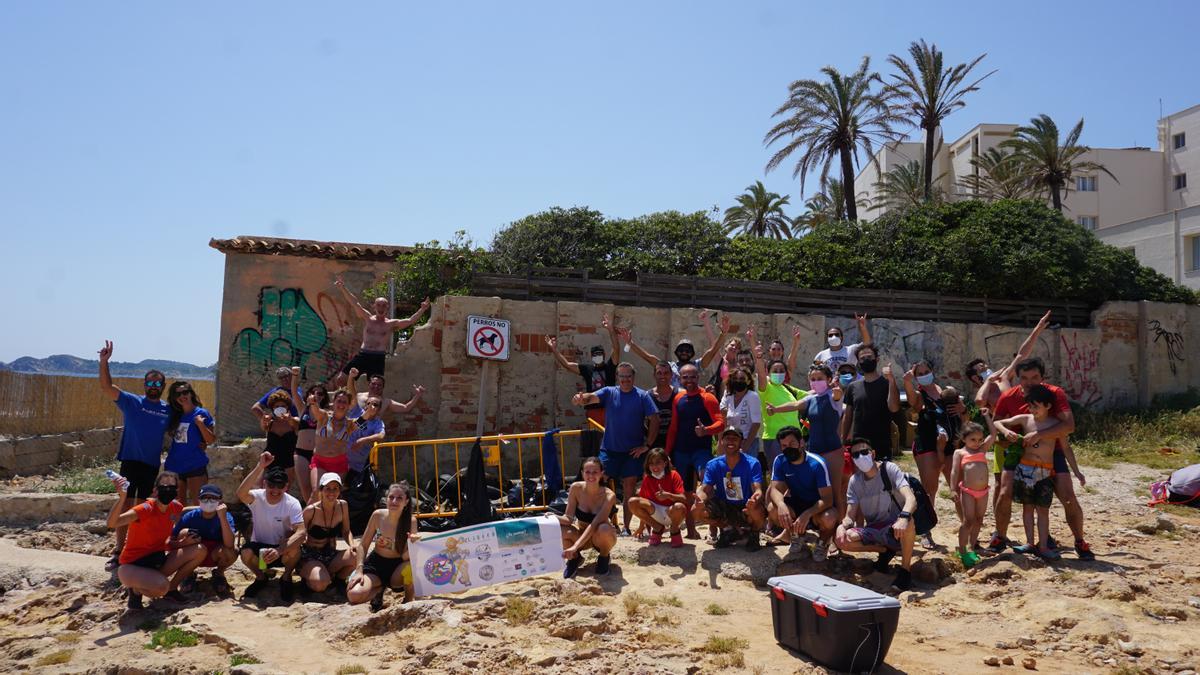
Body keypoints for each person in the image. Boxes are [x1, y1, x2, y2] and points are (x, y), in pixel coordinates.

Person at [986, 357, 1093, 560]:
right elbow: (996, 425)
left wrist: (1040, 435)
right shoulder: (1008, 397)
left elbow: (1069, 426)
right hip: (1018, 452)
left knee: (1067, 496)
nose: (1029, 382)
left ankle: (1080, 541)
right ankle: (1000, 536)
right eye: (1024, 377)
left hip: (1053, 451)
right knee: (1004, 493)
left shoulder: (1053, 394)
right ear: (1018, 378)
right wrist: (1005, 439)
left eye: (1034, 377)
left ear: (1043, 377)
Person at [97, 340, 171, 571]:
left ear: (162, 386)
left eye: (157, 383)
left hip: (150, 465)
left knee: (142, 508)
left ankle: (136, 549)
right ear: (145, 384)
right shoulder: (132, 402)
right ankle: (119, 550)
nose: (153, 385)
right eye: (150, 382)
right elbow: (108, 387)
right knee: (125, 504)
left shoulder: (167, 409)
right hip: (130, 461)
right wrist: (103, 362)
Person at [571, 362, 659, 536]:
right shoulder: (609, 392)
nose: (625, 379)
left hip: (632, 452)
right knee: (595, 482)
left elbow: (654, 419)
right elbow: (591, 397)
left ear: (633, 377)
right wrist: (581, 398)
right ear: (617, 377)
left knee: (629, 490)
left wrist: (647, 445)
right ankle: (593, 522)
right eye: (622, 376)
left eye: (628, 376)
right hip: (609, 450)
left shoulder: (642, 396)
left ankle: (626, 527)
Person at [106, 470, 206, 609]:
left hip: (156, 561)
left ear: (176, 491)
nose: (168, 491)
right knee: (161, 587)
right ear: (155, 491)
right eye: (164, 487)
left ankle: (171, 589)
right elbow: (112, 523)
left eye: (171, 488)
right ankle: (135, 590)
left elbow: (186, 511)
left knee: (199, 550)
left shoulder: (175, 507)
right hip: (132, 565)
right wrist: (122, 497)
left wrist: (182, 543)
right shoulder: (145, 509)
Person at [993, 385, 1065, 560]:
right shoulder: (1026, 419)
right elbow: (997, 422)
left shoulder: (1055, 425)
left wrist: (1077, 472)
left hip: (1045, 471)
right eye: (1030, 406)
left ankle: (1044, 546)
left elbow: (1066, 447)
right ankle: (1030, 543)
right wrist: (1006, 431)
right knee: (1027, 508)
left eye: (1036, 406)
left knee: (1043, 510)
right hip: (1025, 470)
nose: (1032, 410)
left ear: (1048, 406)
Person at [835, 439, 916, 592]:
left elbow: (911, 498)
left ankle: (905, 570)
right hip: (874, 529)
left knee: (909, 522)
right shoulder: (855, 481)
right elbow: (850, 516)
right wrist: (842, 526)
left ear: (873, 454)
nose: (860, 457)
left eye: (864, 452)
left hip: (896, 528)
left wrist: (904, 517)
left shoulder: (889, 469)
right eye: (856, 455)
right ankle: (884, 551)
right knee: (844, 540)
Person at [766, 364, 845, 519]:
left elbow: (838, 394)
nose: (816, 382)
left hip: (833, 451)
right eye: (813, 379)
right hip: (813, 452)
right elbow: (795, 405)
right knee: (806, 491)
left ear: (829, 379)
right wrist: (776, 409)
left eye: (820, 379)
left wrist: (837, 391)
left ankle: (838, 533)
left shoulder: (834, 396)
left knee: (835, 493)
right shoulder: (811, 399)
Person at [901, 360, 964, 548]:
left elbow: (963, 417)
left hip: (951, 445)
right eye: (919, 373)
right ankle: (925, 532)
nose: (924, 374)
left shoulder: (948, 393)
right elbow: (913, 403)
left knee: (958, 487)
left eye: (926, 371)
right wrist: (907, 383)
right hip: (927, 444)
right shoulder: (921, 395)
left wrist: (963, 409)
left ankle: (968, 528)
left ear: (932, 371)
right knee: (930, 489)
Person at [333, 273, 430, 387]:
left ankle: (373, 404)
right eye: (378, 305)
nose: (381, 308)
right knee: (341, 380)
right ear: (374, 306)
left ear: (387, 308)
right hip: (363, 355)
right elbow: (354, 303)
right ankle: (348, 402)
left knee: (375, 386)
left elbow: (410, 320)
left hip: (378, 358)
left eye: (383, 305)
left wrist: (422, 309)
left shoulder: (391, 324)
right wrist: (342, 288)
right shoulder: (368, 318)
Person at [663, 362, 726, 539]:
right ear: (680, 379)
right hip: (681, 451)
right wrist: (667, 453)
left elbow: (720, 422)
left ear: (698, 377)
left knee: (708, 486)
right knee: (685, 493)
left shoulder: (707, 398)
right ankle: (691, 530)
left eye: (692, 377)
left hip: (701, 451)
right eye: (685, 377)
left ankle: (717, 529)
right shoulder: (678, 399)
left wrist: (706, 430)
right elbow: (673, 428)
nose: (689, 380)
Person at [237, 452, 305, 604]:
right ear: (264, 484)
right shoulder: (257, 497)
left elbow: (301, 532)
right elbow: (241, 493)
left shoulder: (292, 503)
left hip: (282, 549)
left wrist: (279, 550)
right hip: (261, 551)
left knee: (295, 549)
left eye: (280, 486)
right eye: (271, 485)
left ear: (286, 487)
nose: (275, 489)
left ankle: (286, 577)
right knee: (246, 553)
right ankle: (261, 577)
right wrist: (260, 466)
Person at [766, 426, 837, 560]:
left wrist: (808, 513)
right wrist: (781, 504)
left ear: (801, 442)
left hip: (817, 506)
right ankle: (796, 535)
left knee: (830, 517)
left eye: (792, 443)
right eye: (784, 445)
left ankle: (822, 543)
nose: (788, 448)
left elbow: (828, 499)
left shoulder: (817, 464)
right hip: (796, 502)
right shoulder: (780, 461)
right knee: (773, 508)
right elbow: (775, 489)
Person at [692, 426, 767, 551]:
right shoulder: (713, 464)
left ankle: (754, 535)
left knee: (757, 509)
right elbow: (705, 489)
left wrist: (756, 498)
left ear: (741, 442)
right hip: (725, 507)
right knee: (697, 511)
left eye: (735, 438)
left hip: (746, 506)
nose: (731, 441)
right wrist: (700, 500)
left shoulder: (753, 463)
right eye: (727, 438)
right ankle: (728, 530)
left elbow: (757, 489)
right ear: (721, 441)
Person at [348, 482, 419, 610]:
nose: (394, 501)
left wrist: (414, 545)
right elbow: (363, 545)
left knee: (411, 568)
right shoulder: (378, 515)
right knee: (354, 595)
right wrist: (359, 570)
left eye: (399, 498)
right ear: (386, 499)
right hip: (376, 564)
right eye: (391, 497)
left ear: (406, 502)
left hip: (397, 567)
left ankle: (408, 601)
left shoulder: (411, 521)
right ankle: (379, 589)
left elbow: (405, 557)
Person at [546, 313, 621, 425]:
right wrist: (554, 349)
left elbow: (616, 348)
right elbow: (567, 364)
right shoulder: (587, 369)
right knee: (594, 440)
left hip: (609, 410)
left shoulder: (610, 366)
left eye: (599, 354)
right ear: (591, 357)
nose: (597, 357)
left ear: (604, 355)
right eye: (595, 355)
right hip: (592, 411)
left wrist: (610, 329)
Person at [622, 312, 729, 388]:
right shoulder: (669, 367)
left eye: (688, 350)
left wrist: (723, 333)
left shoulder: (697, 365)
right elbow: (648, 358)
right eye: (681, 349)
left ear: (692, 354)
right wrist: (630, 344)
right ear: (676, 352)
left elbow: (712, 351)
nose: (684, 352)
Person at [172, 483, 237, 596]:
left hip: (215, 553)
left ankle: (219, 574)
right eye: (205, 498)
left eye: (213, 498)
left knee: (233, 551)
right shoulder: (190, 516)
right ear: (199, 500)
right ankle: (188, 574)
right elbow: (172, 540)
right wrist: (184, 542)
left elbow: (230, 544)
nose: (209, 501)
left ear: (220, 501)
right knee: (183, 532)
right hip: (194, 553)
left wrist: (222, 517)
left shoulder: (226, 516)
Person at [559, 457, 619, 578]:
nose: (591, 475)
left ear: (601, 473)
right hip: (581, 535)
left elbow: (594, 524)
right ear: (582, 473)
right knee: (559, 529)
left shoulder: (609, 495)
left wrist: (574, 546)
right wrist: (552, 517)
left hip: (600, 538)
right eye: (587, 472)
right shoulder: (575, 488)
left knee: (604, 528)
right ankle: (575, 558)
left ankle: (604, 556)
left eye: (595, 472)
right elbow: (568, 518)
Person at [299, 473, 357, 594]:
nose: (331, 492)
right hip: (311, 555)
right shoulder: (311, 511)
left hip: (330, 553)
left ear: (339, 490)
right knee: (320, 585)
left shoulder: (343, 506)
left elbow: (346, 531)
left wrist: (352, 545)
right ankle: (308, 578)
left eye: (335, 488)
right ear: (321, 490)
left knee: (357, 555)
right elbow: (297, 532)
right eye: (328, 488)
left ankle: (339, 580)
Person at [839, 344, 901, 460]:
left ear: (877, 359)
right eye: (862, 359)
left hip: (881, 444)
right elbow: (848, 416)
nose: (866, 360)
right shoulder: (852, 387)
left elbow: (894, 408)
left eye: (869, 357)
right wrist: (842, 441)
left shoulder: (887, 384)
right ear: (858, 362)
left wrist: (892, 381)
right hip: (858, 445)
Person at [949, 422, 994, 568]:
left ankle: (971, 547)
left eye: (980, 439)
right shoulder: (960, 453)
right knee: (968, 520)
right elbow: (955, 472)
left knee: (979, 519)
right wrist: (952, 489)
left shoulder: (982, 449)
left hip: (984, 491)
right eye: (973, 439)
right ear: (964, 439)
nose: (977, 443)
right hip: (968, 491)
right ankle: (962, 550)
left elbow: (993, 433)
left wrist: (987, 416)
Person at [164, 381, 216, 505]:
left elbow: (211, 440)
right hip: (174, 466)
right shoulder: (174, 415)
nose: (182, 396)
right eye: (178, 394)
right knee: (176, 506)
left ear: (191, 394)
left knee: (199, 504)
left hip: (195, 465)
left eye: (185, 392)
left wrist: (200, 424)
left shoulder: (201, 414)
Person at [754, 344, 805, 468]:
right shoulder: (766, 388)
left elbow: (809, 395)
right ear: (768, 372)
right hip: (774, 438)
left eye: (781, 371)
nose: (778, 373)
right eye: (775, 371)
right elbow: (760, 375)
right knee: (777, 475)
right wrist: (759, 357)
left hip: (794, 437)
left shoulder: (788, 388)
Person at [627, 448, 687, 547]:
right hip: (655, 513)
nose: (654, 466)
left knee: (679, 506)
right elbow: (643, 504)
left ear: (665, 463)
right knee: (632, 501)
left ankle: (675, 530)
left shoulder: (674, 475)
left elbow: (684, 499)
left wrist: (668, 495)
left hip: (672, 513)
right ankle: (657, 528)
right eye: (651, 463)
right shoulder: (648, 478)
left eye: (658, 462)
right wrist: (641, 527)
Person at [291, 378, 330, 503]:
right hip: (301, 452)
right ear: (309, 395)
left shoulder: (325, 413)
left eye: (320, 394)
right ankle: (310, 516)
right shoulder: (303, 409)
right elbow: (294, 391)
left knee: (317, 489)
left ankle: (314, 513)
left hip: (317, 454)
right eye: (314, 393)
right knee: (305, 488)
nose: (316, 396)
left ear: (324, 397)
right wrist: (295, 375)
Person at [307, 389, 357, 482]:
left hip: (339, 464)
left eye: (344, 402)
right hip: (320, 462)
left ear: (349, 405)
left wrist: (370, 411)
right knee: (316, 492)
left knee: (333, 495)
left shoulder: (350, 423)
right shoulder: (324, 416)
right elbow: (316, 410)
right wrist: (313, 403)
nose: (341, 404)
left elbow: (363, 420)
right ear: (333, 402)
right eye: (339, 401)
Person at [260, 389, 300, 488]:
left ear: (288, 407)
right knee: (263, 487)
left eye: (283, 406)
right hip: (270, 460)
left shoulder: (294, 420)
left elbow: (297, 425)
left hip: (288, 461)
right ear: (273, 408)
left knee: (285, 488)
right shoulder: (270, 423)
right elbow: (263, 426)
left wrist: (289, 419)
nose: (280, 408)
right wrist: (263, 419)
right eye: (277, 406)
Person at [719, 366, 762, 460]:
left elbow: (756, 423)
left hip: (748, 440)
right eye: (735, 379)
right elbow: (722, 411)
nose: (738, 381)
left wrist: (746, 445)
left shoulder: (752, 396)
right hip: (731, 440)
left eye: (742, 379)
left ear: (748, 381)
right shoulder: (728, 395)